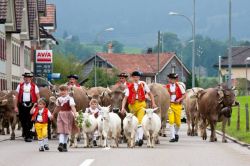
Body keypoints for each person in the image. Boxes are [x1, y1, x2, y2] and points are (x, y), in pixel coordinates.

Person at [121, 71, 157, 146]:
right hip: (132, 106)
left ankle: (140, 138)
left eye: (137, 77)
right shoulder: (129, 86)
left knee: (140, 121)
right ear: (132, 78)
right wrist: (122, 107)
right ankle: (137, 138)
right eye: (134, 77)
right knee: (134, 122)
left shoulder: (143, 84)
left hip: (141, 105)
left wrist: (153, 103)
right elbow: (125, 98)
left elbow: (150, 94)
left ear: (139, 77)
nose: (136, 78)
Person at [52, 85, 78, 152]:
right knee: (61, 130)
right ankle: (60, 144)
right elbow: (57, 107)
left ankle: (65, 145)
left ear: (67, 91)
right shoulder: (59, 99)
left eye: (64, 90)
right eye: (61, 90)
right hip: (60, 115)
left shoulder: (70, 99)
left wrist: (75, 114)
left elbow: (73, 107)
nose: (62, 92)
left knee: (66, 131)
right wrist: (53, 114)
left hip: (68, 115)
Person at [15, 72, 40, 142]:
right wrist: (15, 107)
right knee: (23, 120)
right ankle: (28, 134)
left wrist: (37, 106)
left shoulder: (34, 86)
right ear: (24, 78)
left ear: (31, 79)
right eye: (25, 77)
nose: (26, 79)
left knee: (30, 120)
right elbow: (16, 97)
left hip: (31, 106)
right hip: (22, 105)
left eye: (28, 78)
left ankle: (27, 136)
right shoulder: (20, 86)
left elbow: (38, 97)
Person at [166, 73, 186, 142]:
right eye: (171, 79)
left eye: (173, 79)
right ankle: (172, 137)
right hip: (170, 105)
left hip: (177, 106)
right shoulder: (166, 87)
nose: (172, 80)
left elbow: (184, 95)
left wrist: (179, 99)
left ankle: (176, 133)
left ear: (176, 79)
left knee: (178, 123)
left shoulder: (179, 86)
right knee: (171, 121)